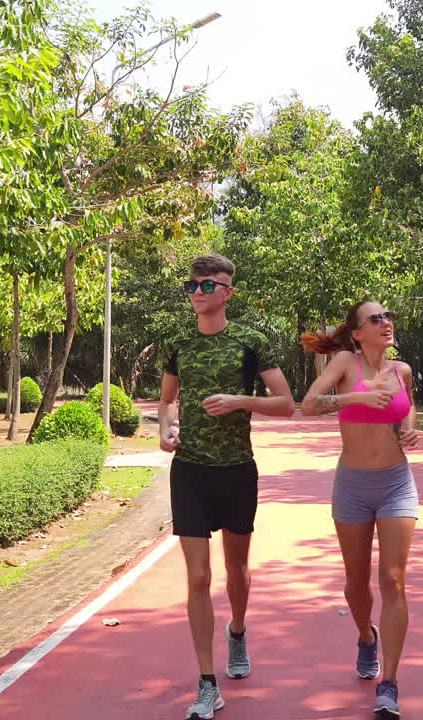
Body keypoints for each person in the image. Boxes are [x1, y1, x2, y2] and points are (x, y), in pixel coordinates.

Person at [158, 254, 295, 720]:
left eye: (207, 285)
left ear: (227, 293)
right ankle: (207, 682)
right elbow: (167, 401)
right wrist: (166, 429)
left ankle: (237, 630)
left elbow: (286, 404)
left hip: (237, 469)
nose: (197, 293)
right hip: (190, 471)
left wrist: (240, 401)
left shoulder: (251, 342)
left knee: (237, 570)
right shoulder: (177, 343)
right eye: (191, 286)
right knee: (198, 577)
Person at [300, 300, 418, 719]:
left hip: (396, 484)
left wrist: (408, 430)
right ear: (357, 333)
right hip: (352, 485)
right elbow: (309, 405)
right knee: (355, 583)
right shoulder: (346, 362)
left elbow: (407, 414)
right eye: (375, 318)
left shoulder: (401, 371)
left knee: (393, 579)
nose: (386, 322)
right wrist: (355, 399)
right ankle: (365, 637)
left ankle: (389, 682)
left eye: (388, 316)